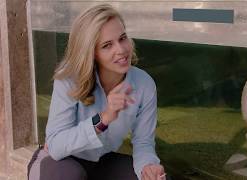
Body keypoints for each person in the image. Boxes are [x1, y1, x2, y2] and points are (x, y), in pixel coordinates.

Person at [28, 3, 166, 180]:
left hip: (102, 162)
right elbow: (55, 146)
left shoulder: (144, 84)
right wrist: (104, 118)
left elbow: (143, 142)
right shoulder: (69, 80)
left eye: (122, 38)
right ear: (91, 52)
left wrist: (148, 167)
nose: (121, 50)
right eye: (107, 45)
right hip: (59, 162)